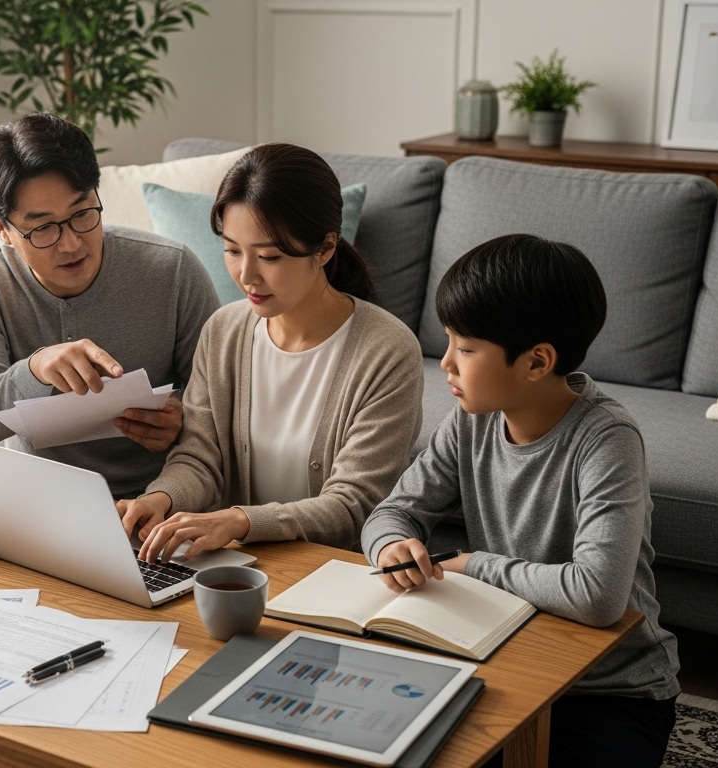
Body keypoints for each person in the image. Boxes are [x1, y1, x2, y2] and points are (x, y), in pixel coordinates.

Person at [363, 234, 680, 768]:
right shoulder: (469, 421)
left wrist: (471, 566)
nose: (445, 364)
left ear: (536, 362)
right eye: (447, 342)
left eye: (465, 348)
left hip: (610, 692)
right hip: (505, 662)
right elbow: (392, 512)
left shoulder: (608, 440)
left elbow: (597, 595)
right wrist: (391, 545)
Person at [118, 143, 424, 560]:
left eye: (269, 256)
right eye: (231, 250)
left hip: (328, 572)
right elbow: (198, 457)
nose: (246, 276)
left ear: (326, 249)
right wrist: (161, 499)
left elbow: (356, 504)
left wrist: (241, 520)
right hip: (230, 568)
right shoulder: (223, 331)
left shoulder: (388, 352)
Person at [0, 113, 220, 498]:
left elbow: (221, 404)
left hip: (157, 504)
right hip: (34, 503)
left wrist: (183, 420)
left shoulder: (172, 270)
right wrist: (36, 369)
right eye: (42, 228)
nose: (71, 243)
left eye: (82, 214)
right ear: (2, 227)